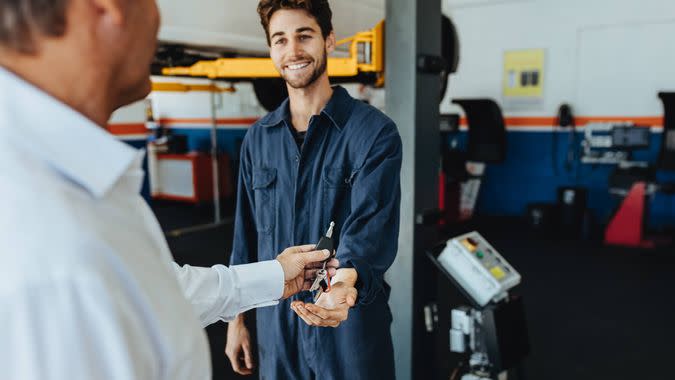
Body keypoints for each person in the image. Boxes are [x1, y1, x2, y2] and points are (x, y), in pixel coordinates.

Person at [0, 1, 342, 379]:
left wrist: (275, 275)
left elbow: (157, 293)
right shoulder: (44, 229)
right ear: (108, 7)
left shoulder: (67, 184)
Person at [226, 0, 402, 378]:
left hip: (346, 324)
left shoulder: (373, 133)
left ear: (329, 41)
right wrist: (235, 320)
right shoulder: (258, 139)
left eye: (304, 36)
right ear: (271, 50)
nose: (293, 51)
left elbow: (369, 232)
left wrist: (343, 285)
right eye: (280, 40)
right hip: (276, 327)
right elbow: (246, 237)